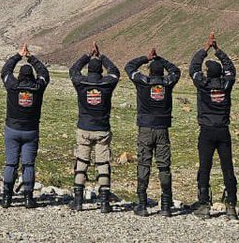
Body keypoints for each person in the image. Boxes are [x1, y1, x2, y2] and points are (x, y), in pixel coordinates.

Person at [125, 48, 181, 217]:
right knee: (164, 166)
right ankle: (165, 206)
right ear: (162, 71)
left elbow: (129, 67)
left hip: (145, 128)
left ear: (149, 71)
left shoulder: (143, 81)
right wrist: (161, 59)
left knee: (144, 163)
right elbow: (176, 71)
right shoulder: (168, 82)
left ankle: (142, 205)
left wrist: (146, 57)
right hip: (162, 129)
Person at [189, 32, 238, 219]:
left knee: (205, 167)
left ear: (208, 73)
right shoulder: (226, 84)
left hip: (207, 131)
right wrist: (218, 50)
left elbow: (193, 67)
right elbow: (231, 69)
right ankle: (231, 205)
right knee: (227, 168)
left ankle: (204, 205)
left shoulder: (203, 84)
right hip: (223, 131)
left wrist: (206, 48)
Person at [69, 43, 120, 213]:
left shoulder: (81, 83)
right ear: (100, 71)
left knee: (82, 162)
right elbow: (115, 72)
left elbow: (73, 71)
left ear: (89, 70)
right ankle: (104, 202)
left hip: (84, 128)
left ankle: (77, 201)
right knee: (103, 163)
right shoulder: (107, 83)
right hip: (102, 130)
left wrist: (86, 55)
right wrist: (102, 56)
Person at [0, 43, 50, 209]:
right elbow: (44, 73)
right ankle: (28, 198)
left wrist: (18, 55)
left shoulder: (12, 86)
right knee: (28, 164)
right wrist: (31, 57)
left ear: (20, 76)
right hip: (31, 130)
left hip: (12, 129)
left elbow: (6, 71)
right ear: (32, 76)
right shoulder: (38, 87)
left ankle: (7, 197)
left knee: (10, 163)